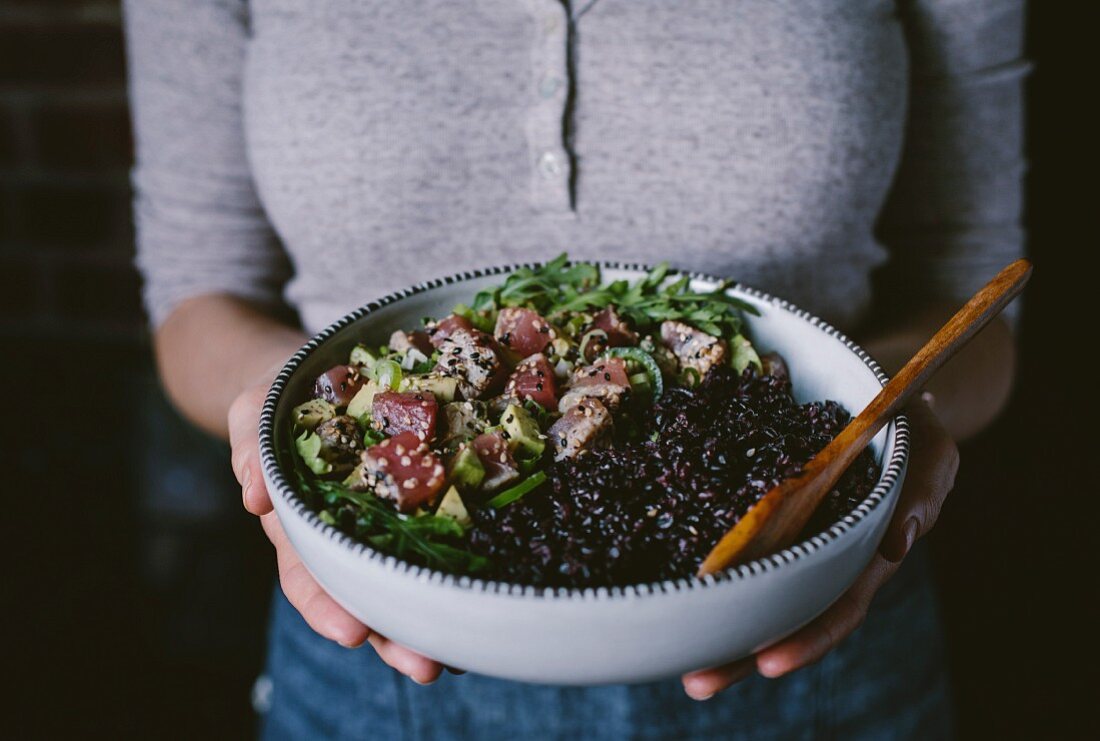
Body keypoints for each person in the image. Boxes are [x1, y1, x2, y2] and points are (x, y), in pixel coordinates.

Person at [124, 1, 1025, 737]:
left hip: (822, 642)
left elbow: (974, 299)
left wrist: (898, 403)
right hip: (377, 658)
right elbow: (197, 299)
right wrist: (294, 409)